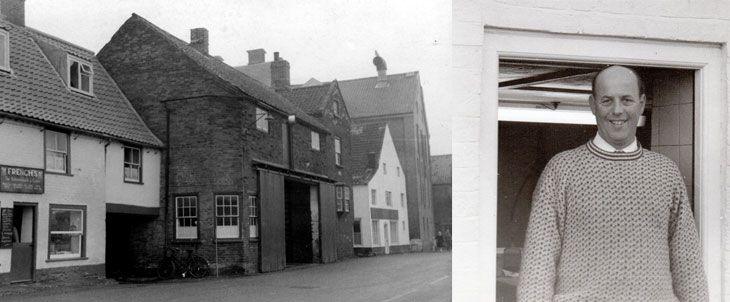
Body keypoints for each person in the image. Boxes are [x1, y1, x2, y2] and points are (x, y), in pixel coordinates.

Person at [517, 65, 708, 301]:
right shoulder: (562, 169)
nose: (617, 110)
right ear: (592, 105)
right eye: (607, 100)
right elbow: (538, 264)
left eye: (627, 100)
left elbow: (689, 266)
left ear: (641, 102)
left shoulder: (666, 171)